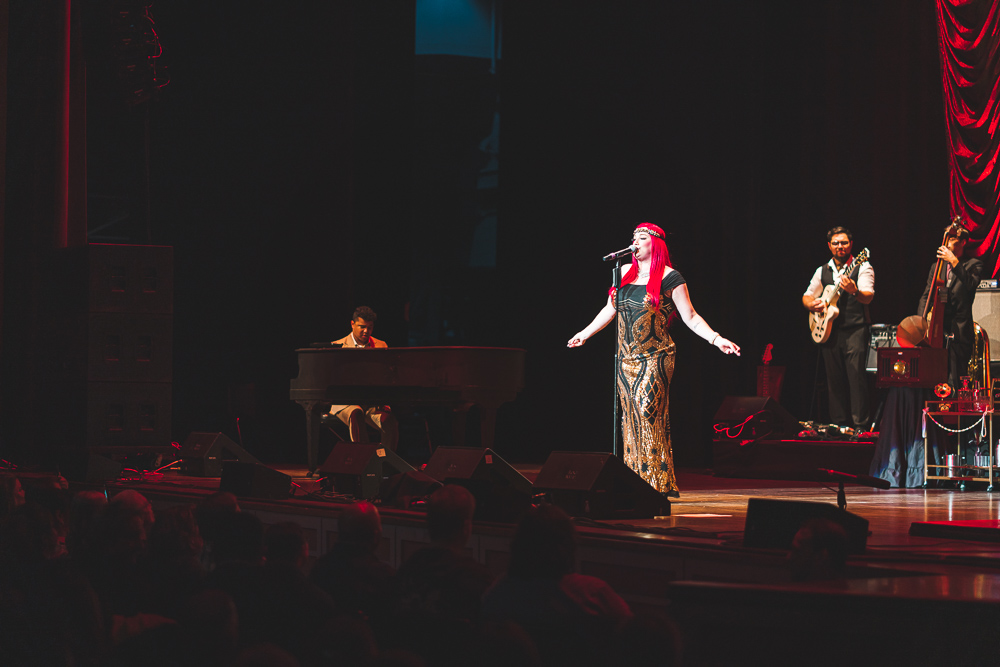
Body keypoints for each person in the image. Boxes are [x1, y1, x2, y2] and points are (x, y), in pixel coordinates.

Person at [567, 223, 739, 498]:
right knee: (630, 420)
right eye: (633, 237)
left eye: (642, 237)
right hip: (625, 360)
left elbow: (691, 317)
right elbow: (610, 309)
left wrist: (717, 339)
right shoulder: (622, 272)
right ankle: (634, 479)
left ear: (655, 244)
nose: (636, 241)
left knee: (647, 414)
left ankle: (652, 483)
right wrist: (584, 333)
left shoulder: (671, 277)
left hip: (656, 357)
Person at [802, 226, 874, 432]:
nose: (839, 246)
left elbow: (868, 296)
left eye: (844, 242)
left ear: (851, 245)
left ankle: (860, 427)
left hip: (855, 330)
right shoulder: (822, 270)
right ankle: (838, 426)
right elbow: (807, 295)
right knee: (834, 381)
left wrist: (854, 291)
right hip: (830, 332)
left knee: (856, 378)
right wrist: (811, 305)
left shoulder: (862, 266)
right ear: (829, 246)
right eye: (835, 243)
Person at [916, 222, 983, 391]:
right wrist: (921, 322)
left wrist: (954, 261)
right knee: (937, 376)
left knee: (956, 379)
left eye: (952, 238)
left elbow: (969, 285)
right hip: (938, 329)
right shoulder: (936, 267)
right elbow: (927, 296)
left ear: (963, 242)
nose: (947, 241)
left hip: (959, 331)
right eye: (946, 237)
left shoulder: (974, 264)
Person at [325, 306, 398, 451]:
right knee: (356, 413)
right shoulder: (338, 346)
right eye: (362, 327)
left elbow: (386, 376)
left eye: (370, 327)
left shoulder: (381, 345)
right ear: (352, 324)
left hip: (371, 403)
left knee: (389, 421)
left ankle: (385, 462)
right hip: (346, 403)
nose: (366, 331)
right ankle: (364, 461)